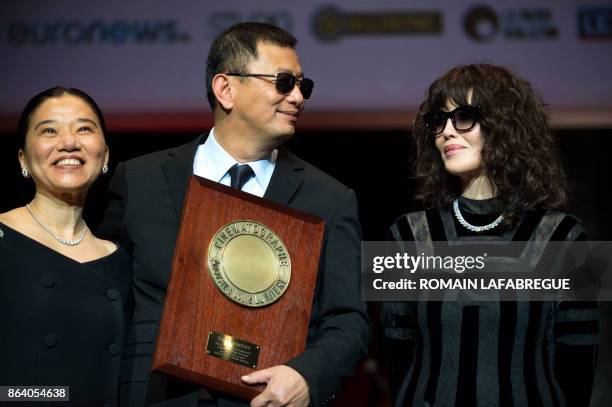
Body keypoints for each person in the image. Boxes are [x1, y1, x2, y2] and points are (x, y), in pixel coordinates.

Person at [98, 22, 370, 406]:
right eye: (283, 82)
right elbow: (103, 300)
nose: (297, 98)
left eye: (302, 86)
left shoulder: (329, 199)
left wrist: (307, 375)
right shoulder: (141, 180)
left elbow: (349, 322)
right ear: (225, 88)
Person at [383, 64, 599, 406]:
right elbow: (398, 361)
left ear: (505, 127)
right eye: (439, 121)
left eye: (464, 116)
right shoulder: (408, 235)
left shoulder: (563, 237)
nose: (447, 132)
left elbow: (577, 365)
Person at [0, 87, 132, 405]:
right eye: (49, 130)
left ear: (105, 155)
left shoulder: (118, 258)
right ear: (23, 159)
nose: (69, 142)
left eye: (84, 128)